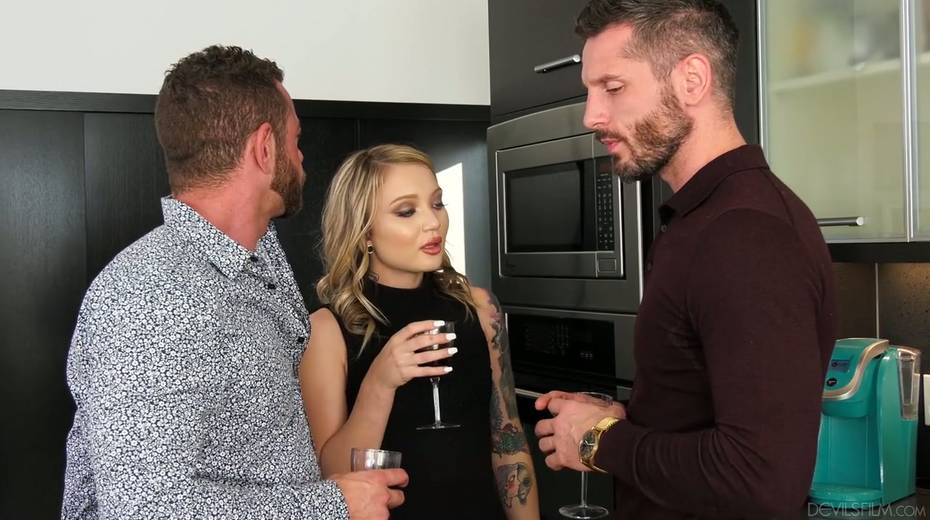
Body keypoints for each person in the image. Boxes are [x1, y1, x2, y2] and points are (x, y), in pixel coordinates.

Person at [61, 45, 406, 520]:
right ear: (264, 148)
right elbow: (146, 509)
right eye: (295, 140)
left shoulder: (258, 260)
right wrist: (333, 505)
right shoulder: (153, 296)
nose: (300, 157)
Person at [534, 1, 837, 518]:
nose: (592, 116)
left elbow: (760, 481)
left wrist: (598, 441)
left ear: (692, 80)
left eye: (613, 87)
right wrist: (628, 421)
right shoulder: (703, 219)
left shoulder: (744, 235)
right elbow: (706, 417)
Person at [299, 144, 540, 520]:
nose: (433, 222)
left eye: (437, 204)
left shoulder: (479, 309)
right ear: (365, 232)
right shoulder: (326, 331)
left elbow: (509, 443)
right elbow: (333, 476)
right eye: (406, 211)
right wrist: (380, 383)